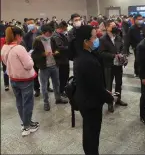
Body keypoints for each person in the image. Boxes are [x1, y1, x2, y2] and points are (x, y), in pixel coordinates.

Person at [74, 25, 114, 155]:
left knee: (89, 130)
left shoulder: (84, 54)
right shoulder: (87, 61)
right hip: (90, 102)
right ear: (86, 41)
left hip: (86, 98)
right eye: (94, 36)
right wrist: (109, 97)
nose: (97, 38)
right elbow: (95, 86)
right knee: (92, 132)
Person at [1, 26, 39, 136]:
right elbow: (28, 65)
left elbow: (5, 63)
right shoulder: (19, 48)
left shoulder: (4, 47)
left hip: (13, 78)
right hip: (25, 80)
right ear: (17, 36)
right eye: (21, 35)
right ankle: (27, 127)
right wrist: (29, 56)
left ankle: (25, 122)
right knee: (27, 103)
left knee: (19, 102)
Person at [32, 24, 68, 111]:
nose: (50, 34)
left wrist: (56, 52)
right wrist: (43, 54)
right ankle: (46, 102)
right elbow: (34, 54)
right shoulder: (37, 40)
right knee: (44, 86)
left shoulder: (52, 39)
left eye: (51, 33)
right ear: (44, 33)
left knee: (57, 83)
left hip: (54, 64)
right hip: (44, 67)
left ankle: (58, 98)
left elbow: (57, 49)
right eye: (49, 33)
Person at [99, 19, 128, 113]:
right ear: (107, 28)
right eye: (112, 26)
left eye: (115, 25)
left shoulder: (118, 37)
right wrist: (113, 56)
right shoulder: (103, 39)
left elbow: (123, 48)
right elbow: (102, 53)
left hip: (118, 65)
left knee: (119, 83)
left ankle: (118, 99)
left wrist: (123, 55)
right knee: (109, 85)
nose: (115, 27)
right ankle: (110, 102)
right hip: (108, 65)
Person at [52, 21, 70, 98]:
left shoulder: (61, 34)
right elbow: (59, 47)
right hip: (60, 60)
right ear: (61, 28)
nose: (65, 30)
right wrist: (69, 48)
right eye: (65, 29)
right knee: (62, 76)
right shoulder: (56, 36)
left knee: (65, 76)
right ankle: (61, 91)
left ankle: (63, 89)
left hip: (64, 58)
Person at [0, 25, 9, 91]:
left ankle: (7, 84)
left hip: (10, 57)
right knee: (5, 71)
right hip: (4, 58)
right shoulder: (2, 40)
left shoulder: (11, 39)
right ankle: (6, 84)